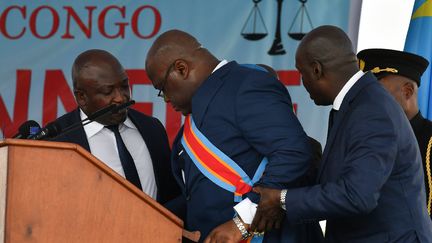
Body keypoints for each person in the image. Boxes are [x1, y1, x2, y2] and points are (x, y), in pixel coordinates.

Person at [251, 25, 432, 242]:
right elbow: (341, 182)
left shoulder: (371, 110)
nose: (303, 82)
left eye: (302, 73)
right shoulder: (355, 104)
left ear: (316, 70)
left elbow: (358, 196)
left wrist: (282, 199)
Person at [145, 30, 322, 242]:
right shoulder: (198, 111)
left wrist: (242, 221)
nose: (165, 99)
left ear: (182, 69)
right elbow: (199, 196)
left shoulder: (246, 85)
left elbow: (293, 152)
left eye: (162, 88)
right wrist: (147, 215)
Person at [52, 49, 180, 204]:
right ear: (82, 97)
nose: (120, 98)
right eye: (108, 91)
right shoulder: (57, 141)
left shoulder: (152, 128)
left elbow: (172, 194)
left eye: (125, 86)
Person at [357, 48, 432, 219]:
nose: (367, 97)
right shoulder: (366, 139)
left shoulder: (429, 140)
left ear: (407, 92)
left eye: (376, 89)